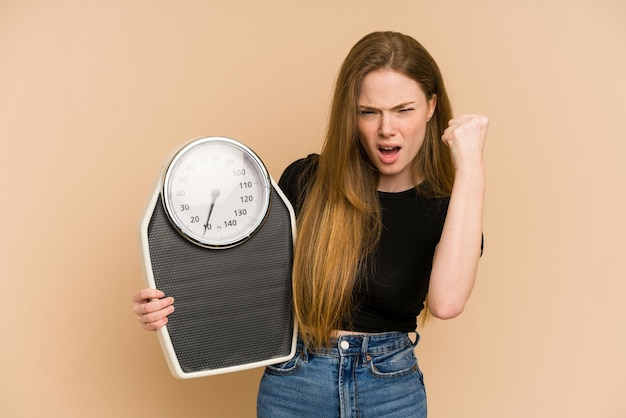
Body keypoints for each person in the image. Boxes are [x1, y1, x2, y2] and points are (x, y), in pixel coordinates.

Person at [132, 31, 488, 417]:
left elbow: (447, 303)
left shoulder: (447, 208)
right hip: (296, 383)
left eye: (404, 110)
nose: (387, 129)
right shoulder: (306, 181)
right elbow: (252, 284)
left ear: (432, 107)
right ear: (350, 113)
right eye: (369, 111)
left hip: (390, 390)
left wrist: (470, 168)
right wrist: (175, 307)